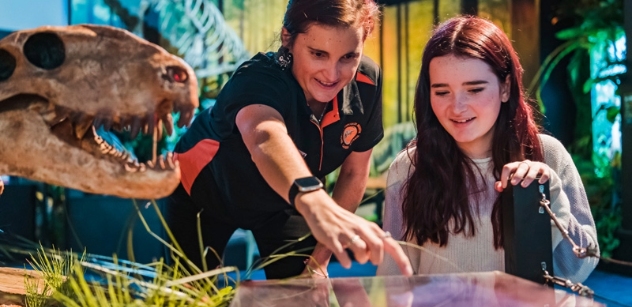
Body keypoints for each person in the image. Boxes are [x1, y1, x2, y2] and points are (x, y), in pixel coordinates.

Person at [168, 0, 412, 279]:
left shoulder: (368, 81)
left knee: (304, 296)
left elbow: (354, 172)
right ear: (288, 39)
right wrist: (314, 200)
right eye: (318, 54)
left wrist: (318, 262)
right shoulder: (257, 78)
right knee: (190, 301)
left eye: (348, 57)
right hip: (206, 191)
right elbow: (264, 135)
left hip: (286, 203)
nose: (332, 74)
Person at [377, 16, 598, 283]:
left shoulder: (546, 154)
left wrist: (548, 192)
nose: (457, 107)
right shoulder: (409, 167)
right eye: (442, 92)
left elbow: (580, 266)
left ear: (505, 87)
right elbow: (392, 277)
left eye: (474, 89)